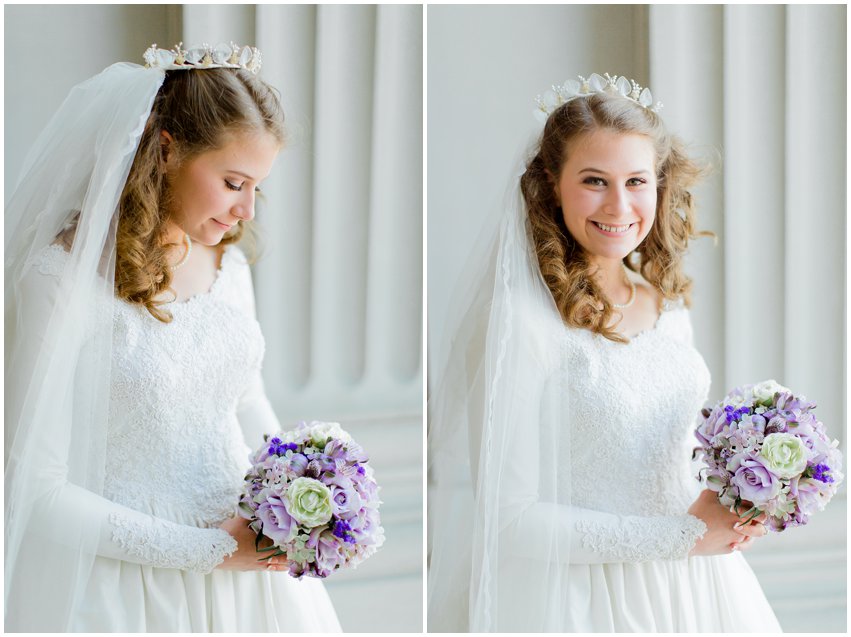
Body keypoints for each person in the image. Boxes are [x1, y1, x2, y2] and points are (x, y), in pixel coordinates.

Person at [427, 73, 783, 632]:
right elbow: (508, 518)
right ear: (551, 182)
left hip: (696, 589)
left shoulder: (665, 304)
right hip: (587, 599)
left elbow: (674, 455)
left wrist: (744, 492)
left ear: (660, 185)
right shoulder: (521, 323)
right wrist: (684, 538)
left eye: (637, 181)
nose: (619, 205)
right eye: (594, 180)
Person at [5, 43, 341, 632]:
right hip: (128, 586)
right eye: (234, 181)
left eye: (257, 187)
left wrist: (304, 489)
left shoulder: (226, 265)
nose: (247, 210)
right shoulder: (62, 282)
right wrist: (208, 551)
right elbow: (34, 490)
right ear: (165, 151)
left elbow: (244, 398)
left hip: (247, 582)